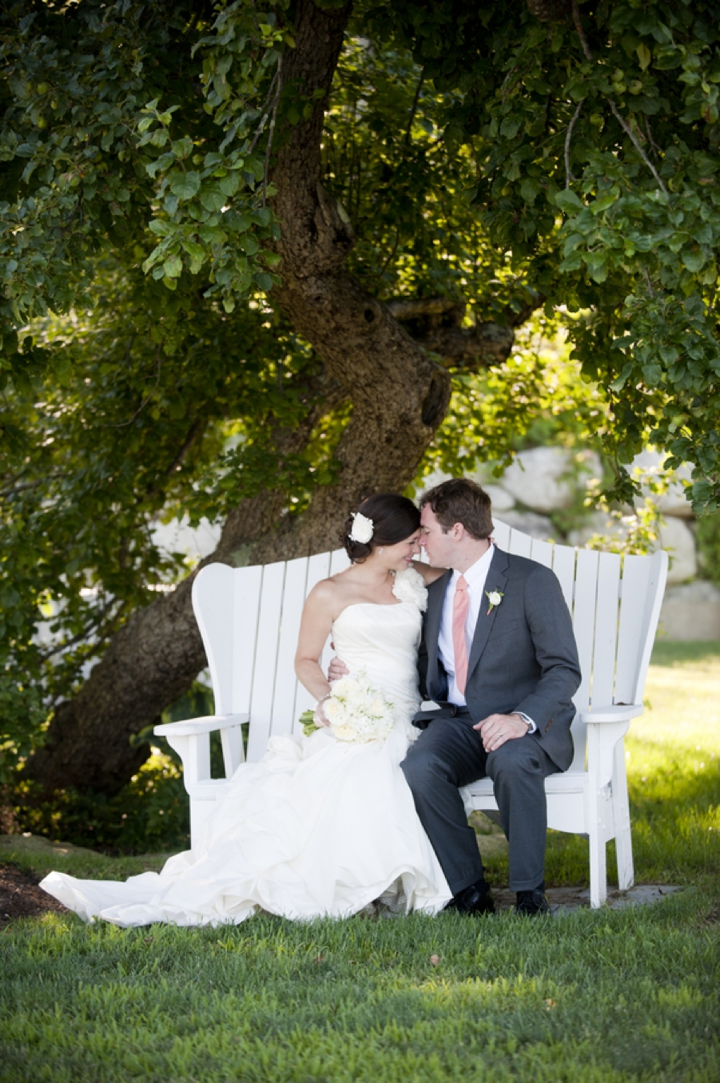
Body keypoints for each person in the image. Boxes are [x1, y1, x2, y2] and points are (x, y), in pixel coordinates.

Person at [40, 494, 452, 926]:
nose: (417, 547)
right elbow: (305, 660)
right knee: (360, 766)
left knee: (376, 764)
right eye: (410, 541)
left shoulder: (412, 577)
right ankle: (354, 883)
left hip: (407, 711)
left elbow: (467, 580)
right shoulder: (330, 592)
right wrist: (331, 701)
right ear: (381, 543)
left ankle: (374, 881)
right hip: (356, 712)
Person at [402, 478, 582, 916]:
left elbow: (564, 669)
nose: (420, 539)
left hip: (524, 725)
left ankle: (528, 894)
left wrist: (522, 719)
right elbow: (424, 666)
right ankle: (470, 891)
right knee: (420, 766)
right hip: (461, 723)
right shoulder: (437, 590)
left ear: (457, 530)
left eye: (426, 530)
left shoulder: (530, 580)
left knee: (511, 758)